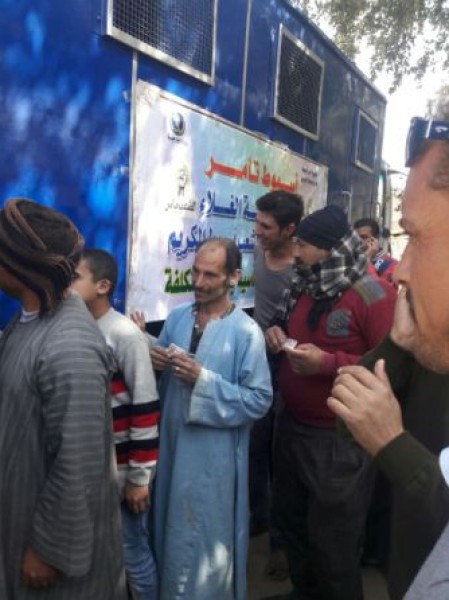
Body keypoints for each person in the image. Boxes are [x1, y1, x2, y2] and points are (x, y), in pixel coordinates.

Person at [328, 113, 449, 600]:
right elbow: (347, 417)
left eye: (415, 237)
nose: (398, 271)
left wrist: (394, 446)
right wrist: (398, 346)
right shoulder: (431, 346)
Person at [265, 205, 397, 600]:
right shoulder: (304, 284)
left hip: (338, 441)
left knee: (334, 545)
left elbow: (390, 370)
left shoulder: (374, 294)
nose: (296, 252)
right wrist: (275, 334)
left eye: (303, 245)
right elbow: (286, 325)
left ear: (329, 249)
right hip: (292, 429)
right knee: (294, 527)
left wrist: (326, 364)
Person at [0, 198, 126, 599]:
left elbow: (79, 458)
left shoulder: (70, 344)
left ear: (20, 263)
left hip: (51, 559)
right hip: (18, 516)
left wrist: (49, 550)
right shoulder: (29, 320)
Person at [150, 237, 272, 600]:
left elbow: (259, 400)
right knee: (168, 533)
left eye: (210, 275)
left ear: (233, 278)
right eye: (195, 272)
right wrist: (154, 361)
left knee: (204, 541)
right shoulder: (177, 318)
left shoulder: (246, 333)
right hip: (171, 450)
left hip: (213, 462)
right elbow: (159, 377)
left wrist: (203, 381)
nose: (199, 282)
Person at [71, 249, 160, 600]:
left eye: (75, 277)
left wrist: (139, 478)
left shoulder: (124, 334)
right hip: (91, 472)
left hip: (122, 473)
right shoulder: (73, 329)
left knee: (131, 551)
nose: (67, 285)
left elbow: (145, 407)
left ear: (103, 286)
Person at [251, 190, 304, 577]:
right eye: (256, 223)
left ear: (289, 229)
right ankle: (257, 518)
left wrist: (285, 340)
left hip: (289, 366)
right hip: (256, 364)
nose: (257, 232)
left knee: (281, 456)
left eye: (266, 227)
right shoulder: (257, 252)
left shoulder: (303, 267)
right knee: (254, 446)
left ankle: (281, 545)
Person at [354, 217, 398, 284]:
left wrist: (367, 260)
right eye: (355, 237)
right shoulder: (351, 259)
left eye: (364, 237)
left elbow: (379, 289)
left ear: (376, 239)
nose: (358, 240)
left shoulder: (391, 265)